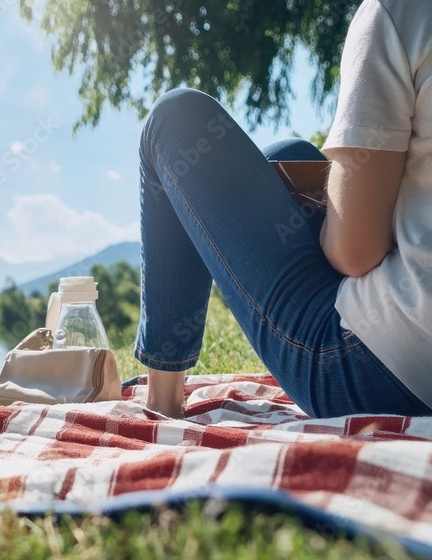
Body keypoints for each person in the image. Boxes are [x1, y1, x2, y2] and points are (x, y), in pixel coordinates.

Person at [136, 0, 432, 418]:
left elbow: (355, 253)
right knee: (288, 153)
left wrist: (341, 209)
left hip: (384, 377)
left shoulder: (397, 12)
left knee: (175, 118)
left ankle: (161, 399)